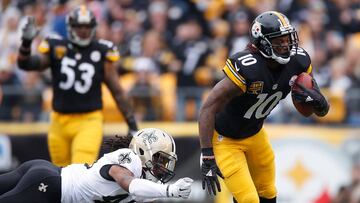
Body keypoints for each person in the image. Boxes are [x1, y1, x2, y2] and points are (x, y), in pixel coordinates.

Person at [198, 11, 329, 203]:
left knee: (268, 192)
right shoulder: (248, 67)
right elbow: (208, 107)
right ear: (263, 43)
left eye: (287, 39)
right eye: (279, 40)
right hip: (225, 140)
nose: (286, 45)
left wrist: (321, 105)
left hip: (255, 133)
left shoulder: (298, 61)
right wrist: (207, 154)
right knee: (249, 199)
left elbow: (311, 108)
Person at [17, 5, 138, 167]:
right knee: (59, 174)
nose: (83, 30)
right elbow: (27, 64)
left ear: (93, 27)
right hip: (59, 121)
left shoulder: (101, 51)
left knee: (80, 171)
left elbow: (117, 91)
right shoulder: (56, 46)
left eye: (87, 26)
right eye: (79, 26)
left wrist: (132, 125)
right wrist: (26, 43)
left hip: (88, 120)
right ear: (70, 27)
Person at [0, 128, 193, 203]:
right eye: (160, 160)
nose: (162, 167)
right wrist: (169, 190)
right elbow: (129, 183)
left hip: (47, 174)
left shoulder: (145, 190)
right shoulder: (128, 158)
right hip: (49, 186)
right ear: (144, 151)